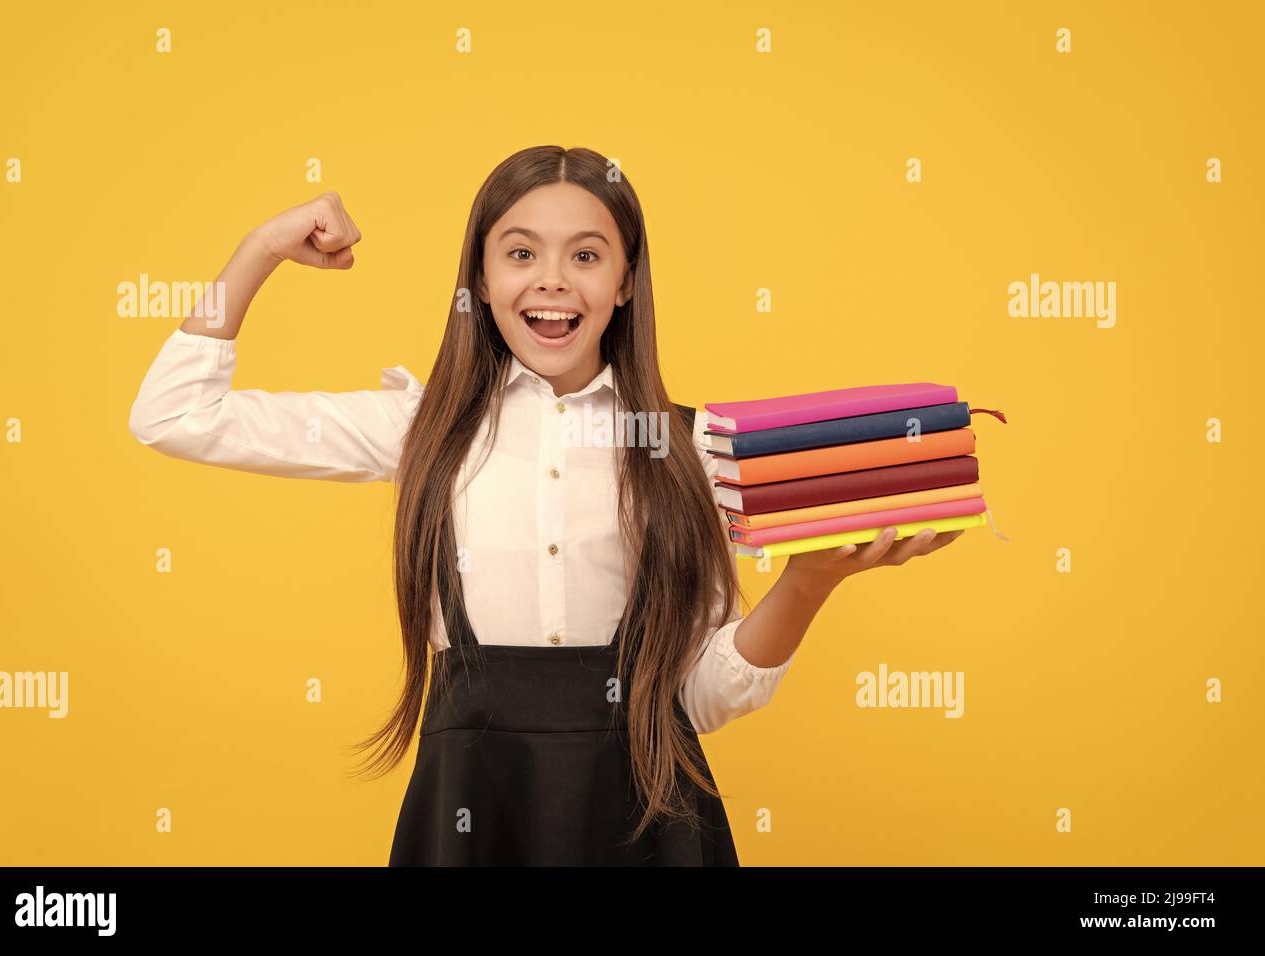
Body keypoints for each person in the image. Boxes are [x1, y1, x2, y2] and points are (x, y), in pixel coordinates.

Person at [128, 145, 963, 865]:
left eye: (588, 256)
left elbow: (701, 699)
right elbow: (172, 415)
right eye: (520, 253)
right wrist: (263, 247)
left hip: (652, 827)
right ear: (481, 279)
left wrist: (810, 582)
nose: (553, 282)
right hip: (472, 817)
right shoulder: (420, 431)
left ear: (627, 280)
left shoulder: (694, 447)